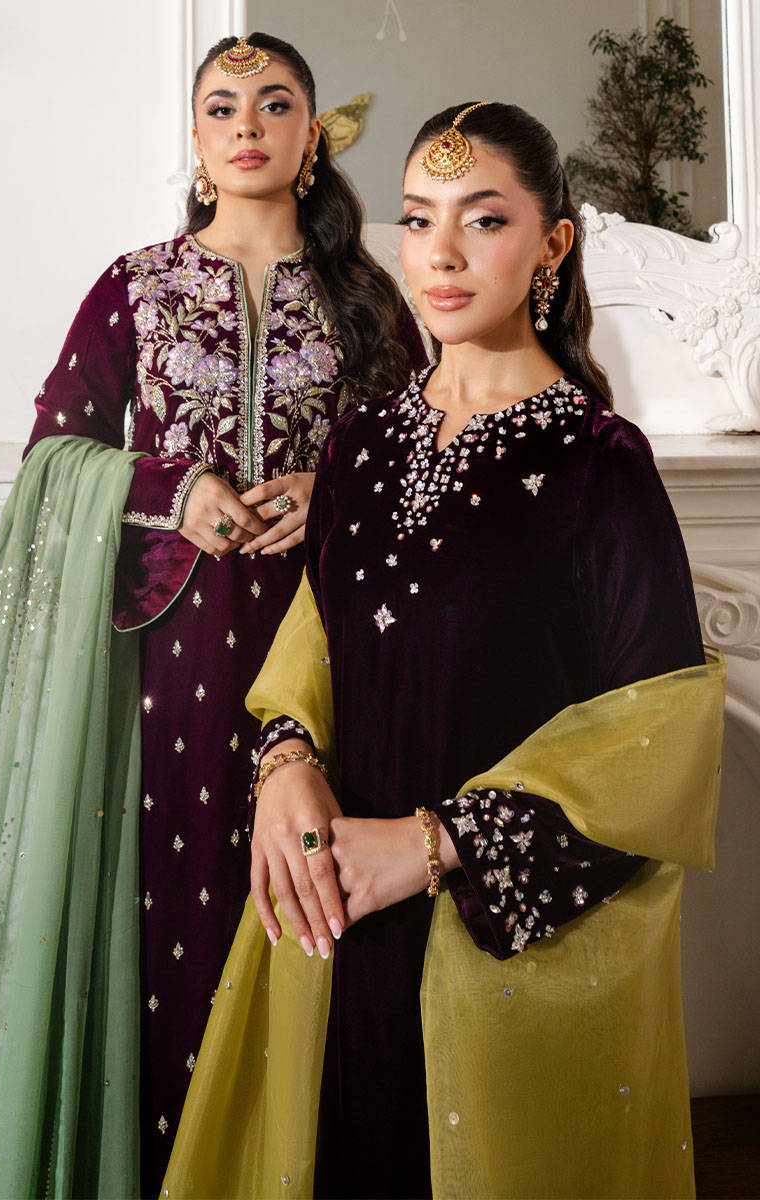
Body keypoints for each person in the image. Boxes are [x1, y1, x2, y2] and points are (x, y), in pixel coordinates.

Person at [162, 101, 725, 1200]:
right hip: (340, 920)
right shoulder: (361, 441)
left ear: (552, 244)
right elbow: (313, 643)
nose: (443, 255)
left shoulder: (598, 464)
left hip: (495, 949)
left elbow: (658, 752)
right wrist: (285, 763)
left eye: (485, 219)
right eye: (419, 220)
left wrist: (432, 846)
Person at [0, 32, 425, 1200]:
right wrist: (172, 487)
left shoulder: (368, 295)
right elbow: (55, 453)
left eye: (273, 103)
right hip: (169, 663)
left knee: (310, 911)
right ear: (196, 138)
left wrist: (331, 488)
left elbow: (426, 459)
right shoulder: (136, 285)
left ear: (312, 135)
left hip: (324, 651)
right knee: (175, 917)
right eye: (221, 106)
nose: (246, 124)